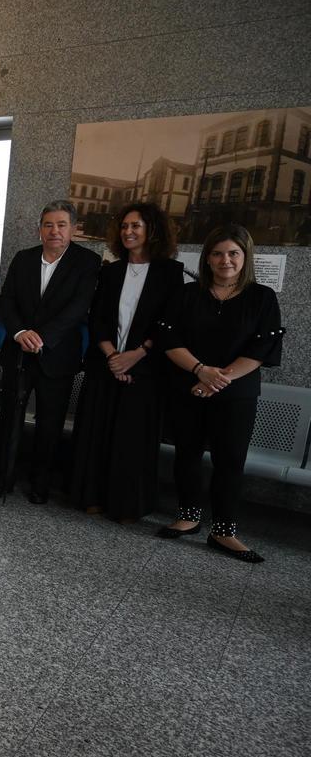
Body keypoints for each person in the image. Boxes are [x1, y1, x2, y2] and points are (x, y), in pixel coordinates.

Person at [157, 225, 283, 563]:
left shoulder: (262, 297)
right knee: (188, 454)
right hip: (189, 387)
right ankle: (189, 516)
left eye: (233, 253)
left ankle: (224, 531)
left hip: (236, 394)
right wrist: (200, 372)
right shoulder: (187, 295)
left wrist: (215, 380)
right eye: (217, 253)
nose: (225, 260)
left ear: (245, 257)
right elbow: (169, 340)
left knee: (230, 461)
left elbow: (261, 349)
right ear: (207, 258)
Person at [69, 203, 184, 521]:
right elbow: (98, 318)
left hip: (146, 369)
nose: (129, 232)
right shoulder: (112, 270)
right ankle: (91, 496)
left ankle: (124, 504)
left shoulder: (170, 273)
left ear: (152, 231)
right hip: (105, 365)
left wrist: (135, 356)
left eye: (136, 226)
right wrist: (113, 357)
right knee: (97, 432)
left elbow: (169, 322)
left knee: (130, 440)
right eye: (124, 226)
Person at [0, 200, 100, 503]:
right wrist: (22, 332)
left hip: (58, 355)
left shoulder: (87, 262)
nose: (55, 231)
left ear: (73, 229)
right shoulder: (24, 258)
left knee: (50, 422)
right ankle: (3, 478)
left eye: (62, 225)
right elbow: (7, 300)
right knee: (10, 417)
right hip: (19, 352)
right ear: (40, 229)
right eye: (48, 225)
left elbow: (78, 307)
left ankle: (40, 483)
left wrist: (43, 337)